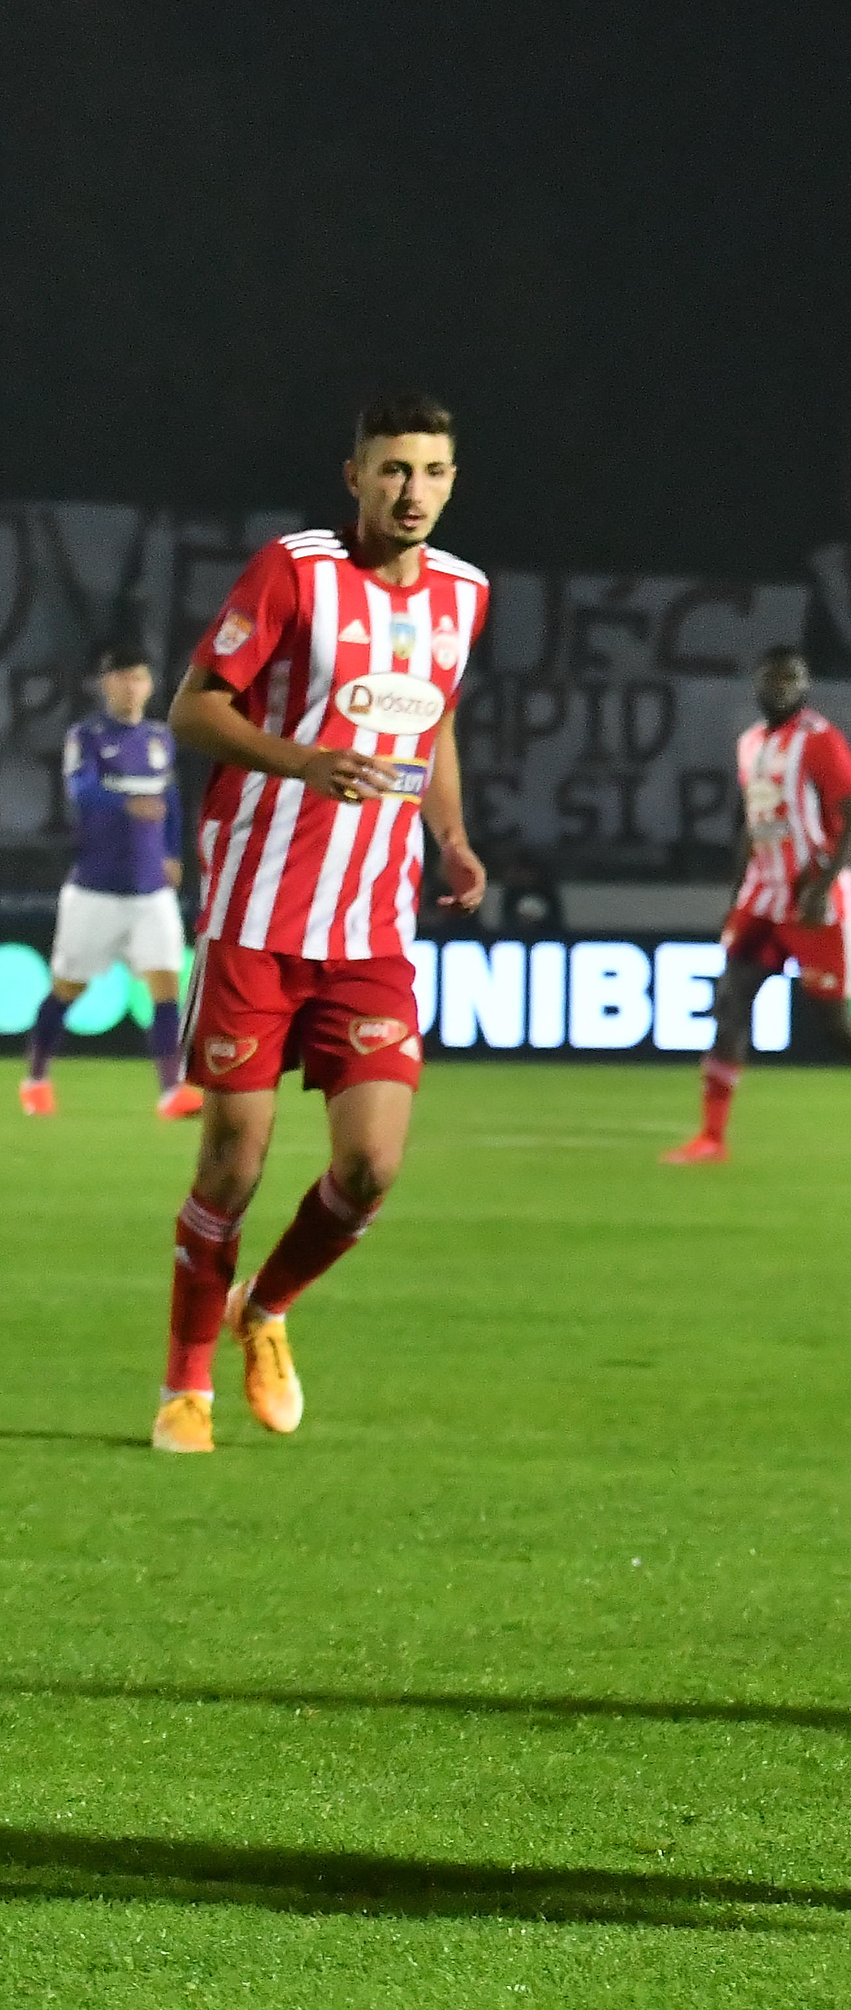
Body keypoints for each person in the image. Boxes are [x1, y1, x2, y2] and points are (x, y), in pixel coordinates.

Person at [155, 392, 489, 1453]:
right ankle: (184, 1388)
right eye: (392, 470)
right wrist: (303, 760)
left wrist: (452, 836)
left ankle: (269, 1307)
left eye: (431, 472)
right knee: (232, 1167)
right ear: (354, 476)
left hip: (374, 929)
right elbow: (194, 707)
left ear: (451, 478)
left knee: (370, 1169)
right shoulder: (293, 572)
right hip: (257, 912)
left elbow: (432, 720)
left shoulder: (464, 595)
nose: (412, 492)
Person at [662, 646, 851, 1168]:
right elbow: (752, 826)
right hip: (762, 898)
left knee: (833, 1019)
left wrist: (823, 884)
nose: (784, 687)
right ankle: (712, 1138)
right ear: (758, 683)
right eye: (775, 677)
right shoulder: (750, 745)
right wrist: (735, 894)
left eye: (795, 678)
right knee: (731, 1001)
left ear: (806, 685)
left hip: (813, 898)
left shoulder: (819, 740)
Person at [21, 642, 203, 1119]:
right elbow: (81, 791)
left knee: (166, 986)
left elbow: (172, 802)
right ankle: (36, 1078)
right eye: (123, 677)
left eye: (140, 677)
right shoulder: (88, 735)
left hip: (149, 889)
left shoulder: (159, 738)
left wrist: (171, 851)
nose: (132, 686)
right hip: (96, 888)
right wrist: (125, 804)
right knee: (68, 989)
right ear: (106, 684)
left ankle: (171, 1092)